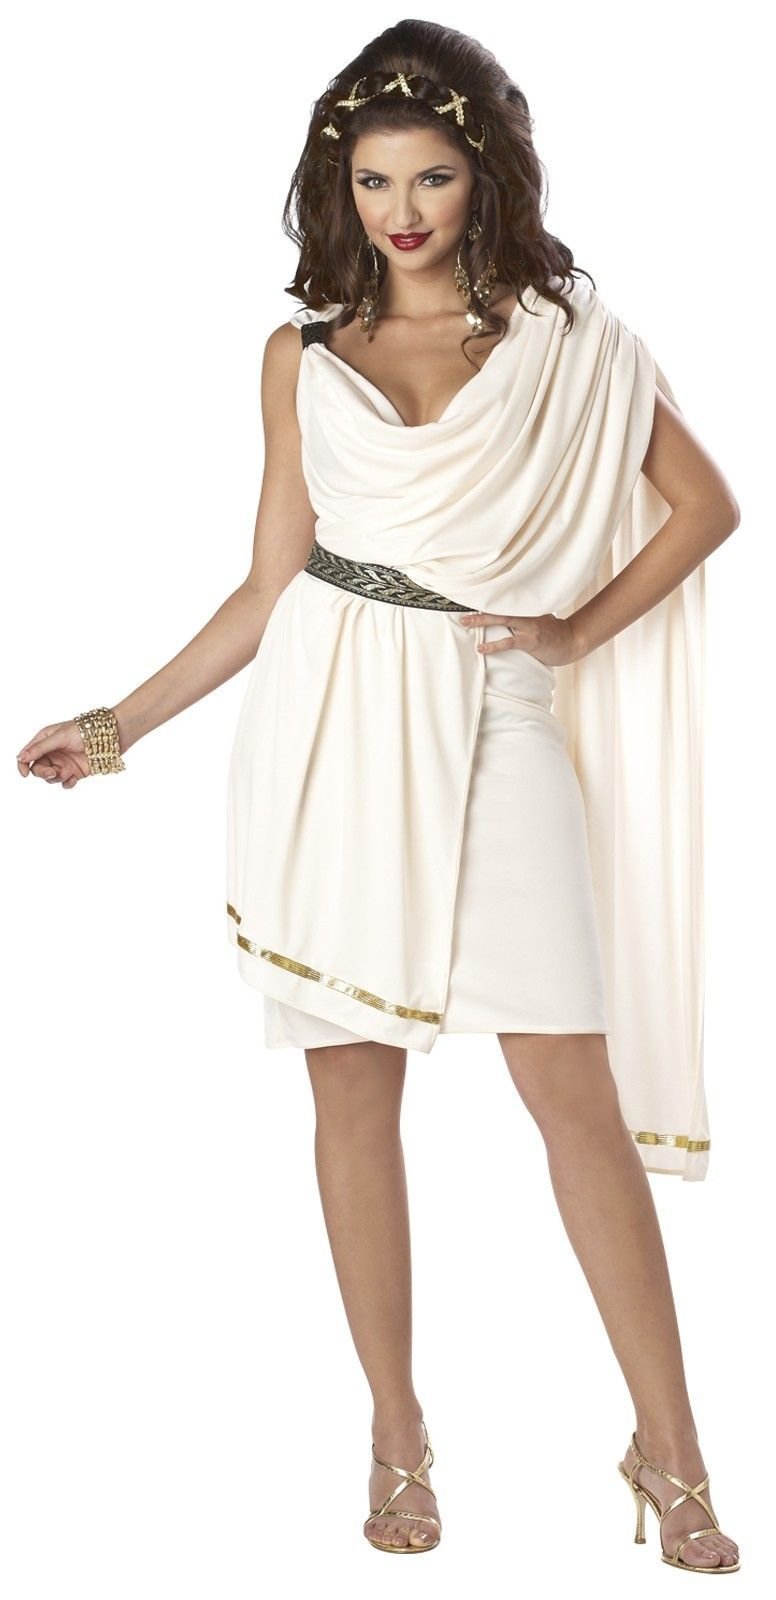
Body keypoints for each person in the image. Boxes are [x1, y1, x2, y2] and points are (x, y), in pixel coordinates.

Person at [15, 19, 741, 1572]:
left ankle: (670, 1446)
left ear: (486, 178)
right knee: (353, 1089)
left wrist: (569, 632)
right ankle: (396, 1434)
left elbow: (706, 507)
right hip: (330, 728)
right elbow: (269, 583)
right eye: (371, 182)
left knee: (570, 1088)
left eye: (431, 178)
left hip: (492, 717)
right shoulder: (301, 356)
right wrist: (115, 723)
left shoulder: (567, 346)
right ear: (336, 190)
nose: (401, 211)